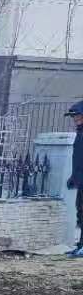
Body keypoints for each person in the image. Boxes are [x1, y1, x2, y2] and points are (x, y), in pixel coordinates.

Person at [67, 101, 83, 257]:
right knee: (80, 211)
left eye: (78, 115)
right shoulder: (80, 132)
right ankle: (81, 245)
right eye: (74, 116)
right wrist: (74, 176)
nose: (75, 119)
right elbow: (78, 158)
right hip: (80, 180)